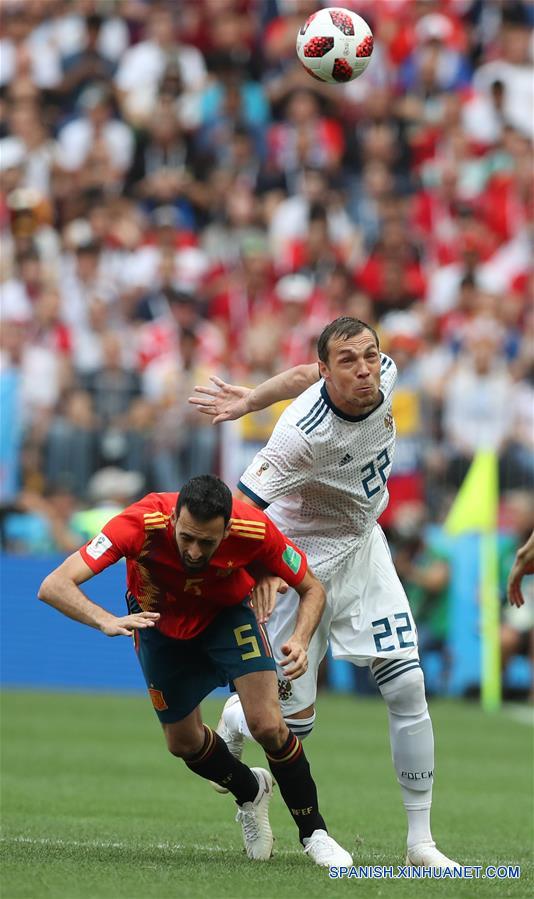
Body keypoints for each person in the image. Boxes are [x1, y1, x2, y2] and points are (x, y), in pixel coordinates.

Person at [190, 317, 460, 869]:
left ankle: (420, 843)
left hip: (364, 547)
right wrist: (262, 568)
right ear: (327, 371)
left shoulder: (383, 375)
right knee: (294, 725)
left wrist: (252, 398)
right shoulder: (299, 435)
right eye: (348, 361)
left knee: (408, 684)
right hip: (299, 563)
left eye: (370, 355)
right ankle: (240, 714)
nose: (365, 368)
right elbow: (241, 510)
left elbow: (294, 375)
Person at [38, 474, 351, 867]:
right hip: (157, 623)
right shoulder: (140, 522)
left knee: (268, 724)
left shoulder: (253, 528)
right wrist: (103, 618)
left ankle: (315, 834)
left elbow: (312, 588)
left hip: (227, 617)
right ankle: (250, 790)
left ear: (228, 528)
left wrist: (302, 639)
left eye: (207, 542)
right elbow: (54, 584)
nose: (195, 550)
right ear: (173, 520)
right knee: (182, 744)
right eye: (186, 537)